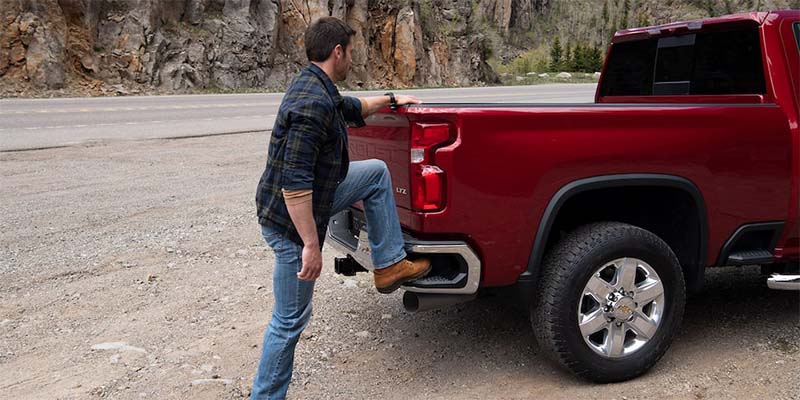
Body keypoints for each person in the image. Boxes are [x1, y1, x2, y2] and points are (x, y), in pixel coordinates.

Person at [251, 16, 431, 400]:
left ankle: (388, 264)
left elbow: (350, 107)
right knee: (289, 320)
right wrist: (310, 247)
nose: (352, 58)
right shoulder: (311, 104)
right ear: (338, 52)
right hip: (290, 225)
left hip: (316, 195)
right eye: (350, 52)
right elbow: (294, 185)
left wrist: (393, 99)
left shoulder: (315, 85)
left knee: (376, 173)